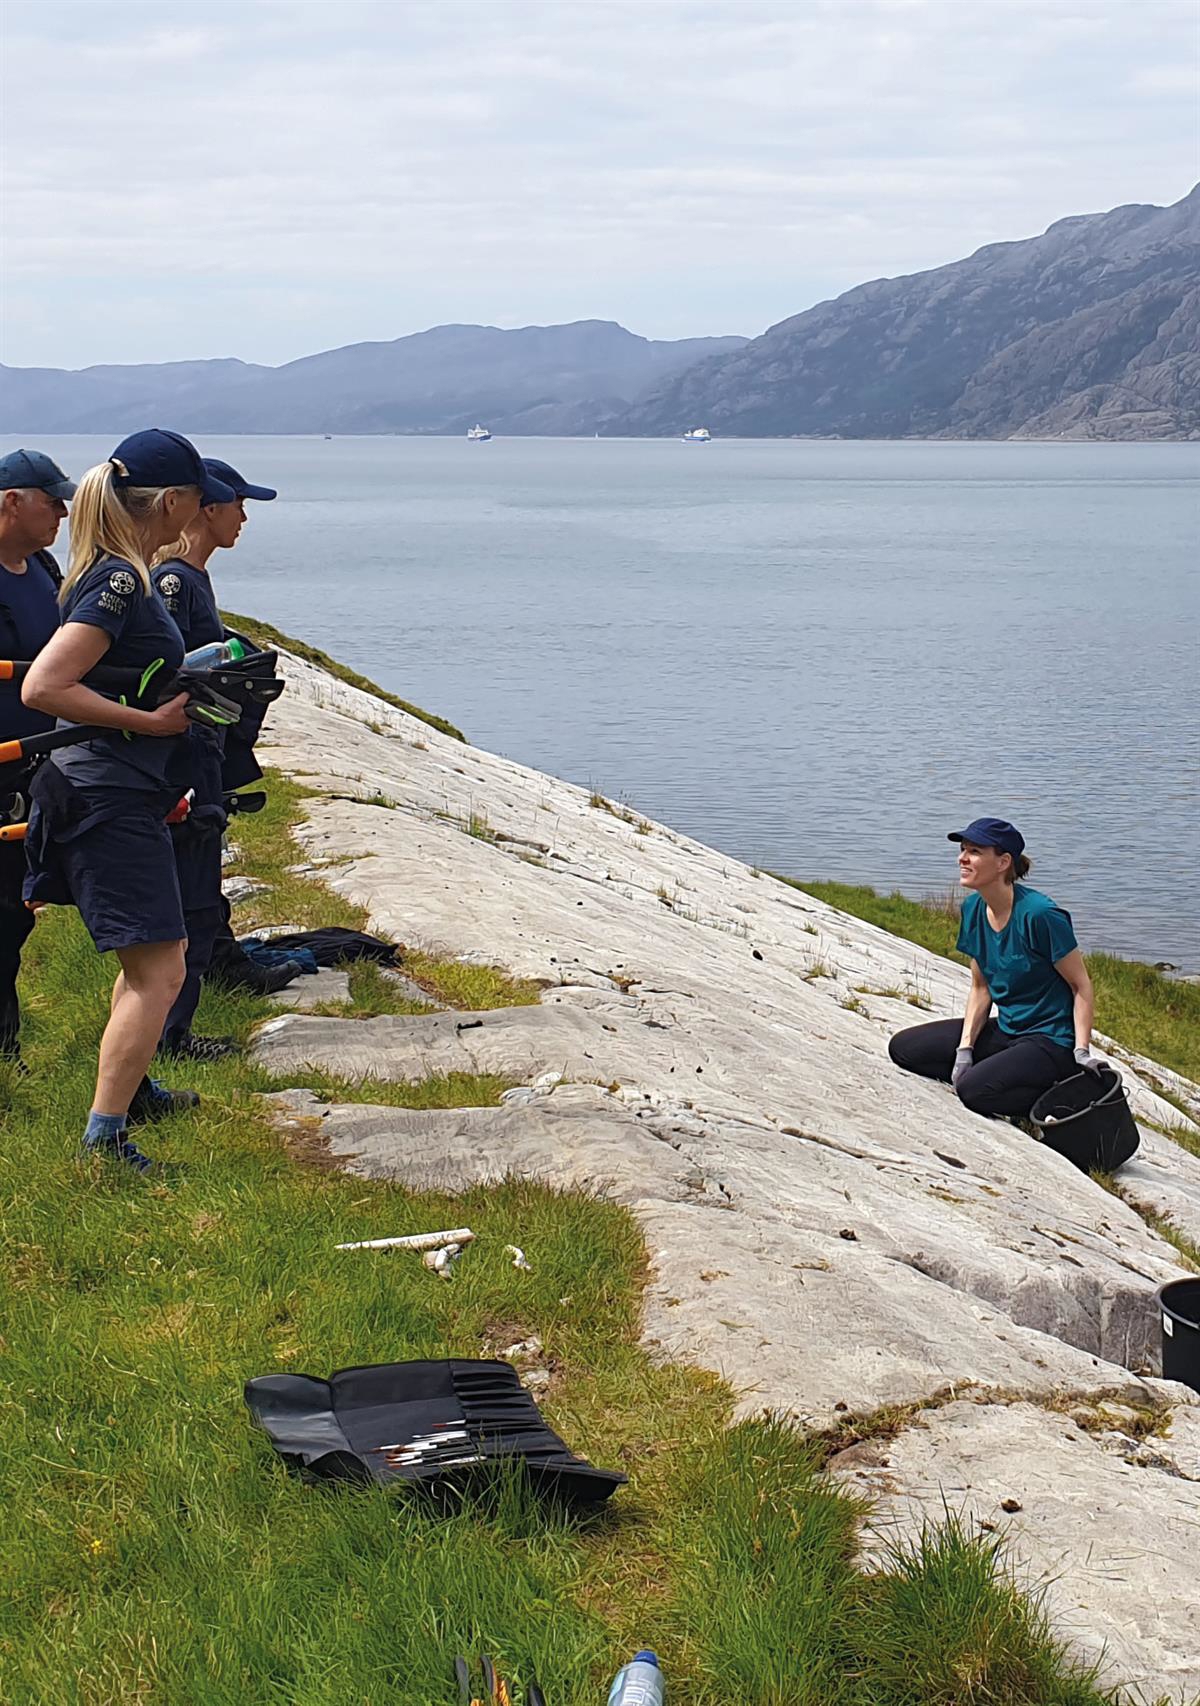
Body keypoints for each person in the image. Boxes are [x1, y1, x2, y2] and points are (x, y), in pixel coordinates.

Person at [21, 429, 236, 1169]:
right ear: (173, 501)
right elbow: (45, 686)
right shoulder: (118, 580)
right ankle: (104, 1138)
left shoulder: (120, 572)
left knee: (151, 957)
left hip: (122, 790)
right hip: (101, 793)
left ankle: (133, 1088)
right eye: (198, 498)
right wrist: (147, 722)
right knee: (163, 970)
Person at [151, 456, 278, 1061]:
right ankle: (169, 1038)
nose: (245, 517)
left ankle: (174, 1028)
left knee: (199, 897)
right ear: (208, 509)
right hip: (183, 761)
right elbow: (169, 676)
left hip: (201, 759)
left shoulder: (192, 577)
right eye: (238, 505)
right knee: (187, 903)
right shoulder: (175, 580)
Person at [888, 817, 1103, 1119]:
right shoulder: (973, 909)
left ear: (1003, 862)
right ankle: (1004, 1071)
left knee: (974, 1092)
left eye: (974, 851)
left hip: (1050, 1039)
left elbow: (1080, 985)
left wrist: (1081, 1050)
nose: (962, 858)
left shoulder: (1041, 915)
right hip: (1006, 1029)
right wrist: (965, 1050)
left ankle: (1059, 1094)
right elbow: (980, 987)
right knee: (904, 1049)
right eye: (963, 850)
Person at [0, 450, 77, 1063]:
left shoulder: (45, 569)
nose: (63, 511)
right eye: (52, 501)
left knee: (16, 912)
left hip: (33, 766)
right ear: (11, 502)